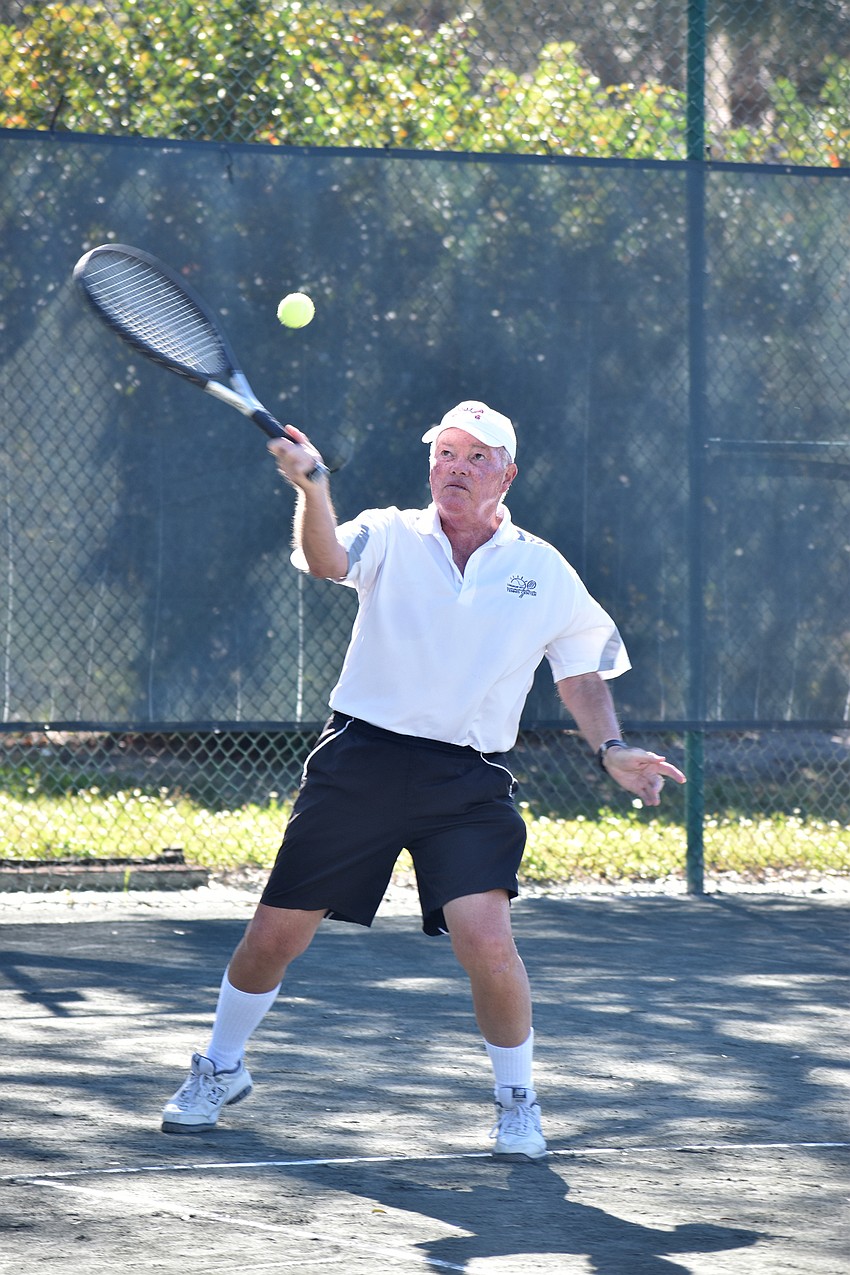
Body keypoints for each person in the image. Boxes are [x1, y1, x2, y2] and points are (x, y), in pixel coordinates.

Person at [161, 400, 686, 1159]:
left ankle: (517, 1100)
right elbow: (326, 560)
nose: (457, 468)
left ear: (507, 474)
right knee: (274, 934)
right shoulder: (390, 532)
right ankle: (220, 1064)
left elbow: (580, 670)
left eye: (477, 457)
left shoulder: (541, 568)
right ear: (430, 463)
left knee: (489, 943)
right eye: (446, 452)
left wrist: (610, 748)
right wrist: (313, 490)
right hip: (361, 760)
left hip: (467, 783)